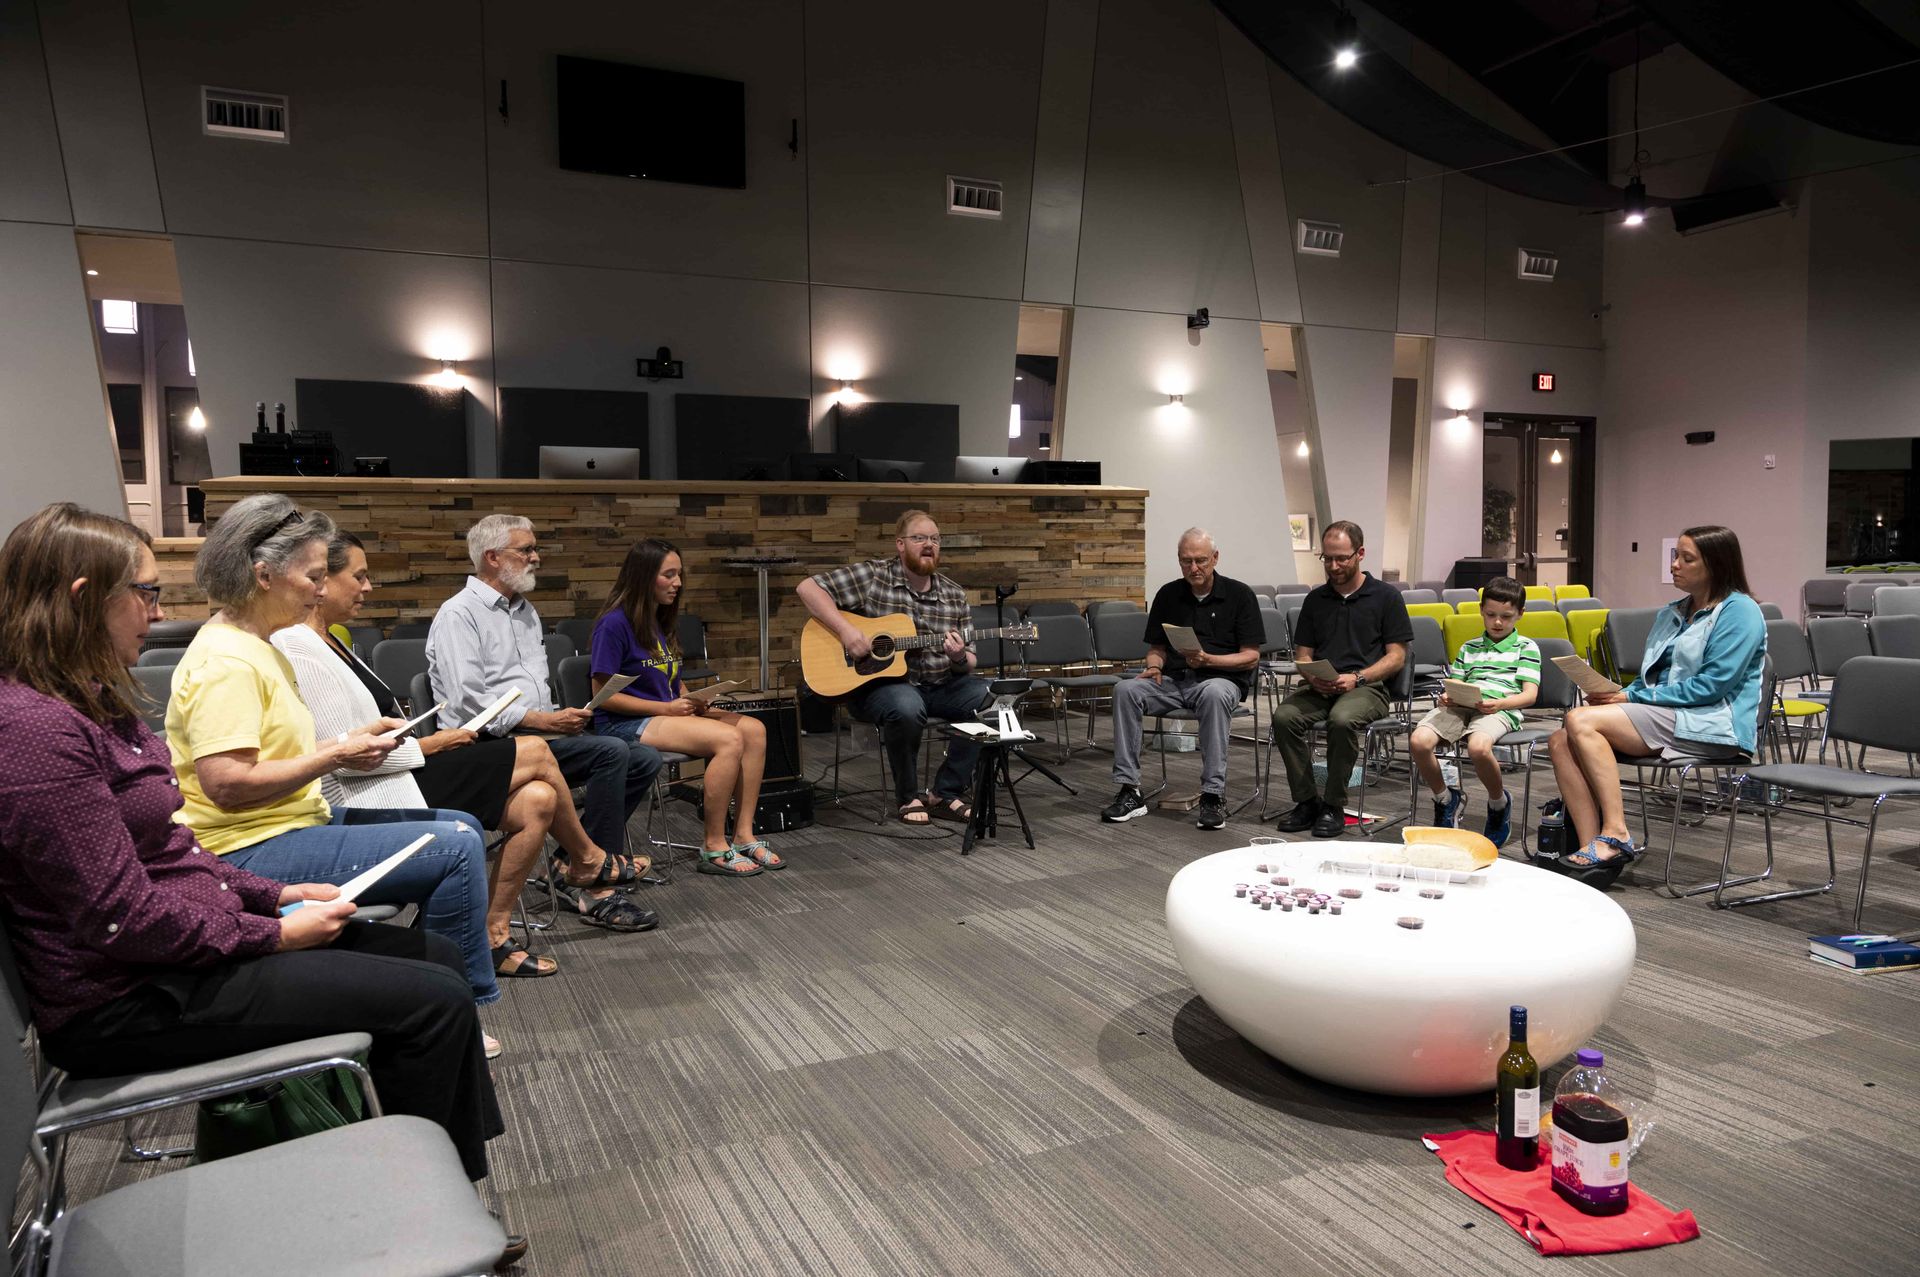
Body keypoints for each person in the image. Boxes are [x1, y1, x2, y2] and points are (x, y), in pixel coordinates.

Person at [0, 503, 516, 1258]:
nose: (160, 609)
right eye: (145, 593)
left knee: (433, 963)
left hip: (168, 954)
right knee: (433, 1001)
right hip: (124, 999)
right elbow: (119, 916)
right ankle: (428, 1227)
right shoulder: (34, 731)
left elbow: (172, 849)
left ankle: (438, 1200)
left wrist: (272, 894)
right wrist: (270, 934)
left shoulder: (86, 701)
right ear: (83, 597)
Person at [164, 494, 503, 1020]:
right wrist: (334, 756)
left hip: (287, 824)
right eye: (314, 576)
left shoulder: (260, 645)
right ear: (263, 575)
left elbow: (272, 753)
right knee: (458, 845)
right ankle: (459, 1004)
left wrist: (347, 743)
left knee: (461, 826)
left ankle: (435, 988)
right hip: (247, 847)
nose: (322, 590)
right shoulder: (227, 661)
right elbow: (226, 783)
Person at [275, 532, 653, 976]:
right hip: (375, 791)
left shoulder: (333, 639)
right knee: (535, 752)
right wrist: (431, 743)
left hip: (399, 771)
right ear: (322, 582)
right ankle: (587, 861)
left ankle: (491, 932)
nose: (368, 587)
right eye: (357, 576)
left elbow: (365, 733)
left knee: (539, 799)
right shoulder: (298, 645)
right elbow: (347, 757)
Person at [428, 514, 663, 931]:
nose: (536, 557)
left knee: (642, 758)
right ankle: (595, 886)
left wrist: (556, 718)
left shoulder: (525, 611)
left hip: (534, 736)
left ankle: (568, 863)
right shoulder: (458, 615)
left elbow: (533, 689)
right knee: (611, 752)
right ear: (493, 557)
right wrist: (544, 720)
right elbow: (469, 704)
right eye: (527, 549)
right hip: (483, 746)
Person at [1546, 526, 1766, 886]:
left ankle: (1616, 833)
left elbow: (1712, 687)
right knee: (1560, 740)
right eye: (1675, 557)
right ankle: (1593, 849)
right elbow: (1654, 679)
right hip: (1667, 715)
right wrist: (1615, 693)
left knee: (1581, 722)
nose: (1675, 565)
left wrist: (1629, 698)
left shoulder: (1740, 612)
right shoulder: (1673, 612)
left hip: (1713, 724)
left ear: (1716, 564)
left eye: (1686, 558)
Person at [591, 538, 780, 876]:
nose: (677, 583)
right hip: (623, 723)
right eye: (669, 574)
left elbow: (671, 678)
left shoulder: (659, 619)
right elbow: (603, 697)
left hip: (664, 713)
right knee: (728, 740)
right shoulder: (614, 624)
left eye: (679, 574)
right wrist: (666, 709)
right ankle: (712, 844)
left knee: (753, 729)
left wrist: (694, 699)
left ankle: (744, 835)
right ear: (643, 577)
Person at [796, 509, 989, 825]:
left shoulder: (954, 594)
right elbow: (808, 588)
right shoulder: (874, 576)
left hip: (939, 686)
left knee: (988, 697)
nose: (929, 545)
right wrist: (846, 632)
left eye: (935, 539)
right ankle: (909, 796)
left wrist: (957, 657)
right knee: (906, 704)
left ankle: (946, 793)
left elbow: (969, 661)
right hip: (879, 689)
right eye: (920, 538)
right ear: (900, 544)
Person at [1100, 528, 1261, 830]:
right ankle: (1129, 789)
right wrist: (1154, 667)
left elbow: (1251, 656)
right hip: (1174, 680)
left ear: (1215, 558)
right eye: (1186, 561)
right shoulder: (1169, 594)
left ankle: (1213, 794)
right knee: (1125, 689)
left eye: (1200, 560)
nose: (1194, 568)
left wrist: (1208, 660)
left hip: (1220, 678)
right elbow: (1156, 649)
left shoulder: (1240, 596)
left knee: (1213, 693)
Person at [1270, 521, 1413, 838]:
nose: (1334, 566)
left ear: (1360, 554)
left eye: (1342, 558)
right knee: (1284, 717)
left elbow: (1396, 657)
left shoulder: (1386, 597)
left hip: (1368, 687)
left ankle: (1333, 805)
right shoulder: (1315, 601)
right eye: (1328, 559)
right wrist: (1311, 674)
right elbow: (1303, 655)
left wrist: (1358, 678)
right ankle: (1307, 801)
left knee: (1342, 719)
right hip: (1321, 686)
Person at [1408, 575, 1539, 847]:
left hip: (1500, 708)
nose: (1498, 622)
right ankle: (1445, 798)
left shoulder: (1526, 647)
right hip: (1463, 706)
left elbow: (1529, 695)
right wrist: (1447, 696)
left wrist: (1500, 704)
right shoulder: (1469, 647)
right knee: (1419, 741)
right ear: (1481, 610)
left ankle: (1498, 803)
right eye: (1491, 615)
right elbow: (1456, 683)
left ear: (1520, 614)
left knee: (1478, 747)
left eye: (1506, 616)